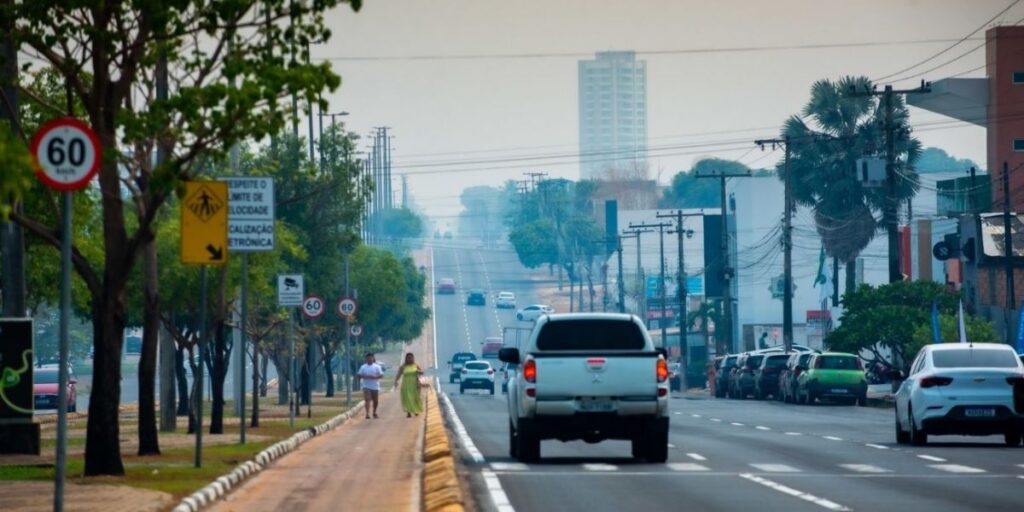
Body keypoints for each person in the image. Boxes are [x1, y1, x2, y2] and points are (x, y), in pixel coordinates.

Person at [394, 352, 424, 418]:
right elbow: (398, 374)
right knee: (407, 398)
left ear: (413, 358)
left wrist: (419, 372)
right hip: (406, 384)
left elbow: (422, 372)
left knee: (415, 397)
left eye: (411, 357)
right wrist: (396, 381)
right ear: (406, 358)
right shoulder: (403, 366)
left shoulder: (416, 365)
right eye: (408, 358)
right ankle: (408, 412)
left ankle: (416, 410)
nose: (409, 359)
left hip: (415, 384)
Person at [357, 353, 384, 419]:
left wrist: (375, 377)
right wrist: (365, 376)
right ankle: (367, 413)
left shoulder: (377, 367)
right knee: (367, 399)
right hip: (366, 386)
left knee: (375, 401)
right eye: (368, 358)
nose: (369, 359)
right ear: (366, 359)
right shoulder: (363, 367)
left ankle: (374, 412)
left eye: (371, 358)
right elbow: (359, 375)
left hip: (375, 386)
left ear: (373, 358)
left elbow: (381, 375)